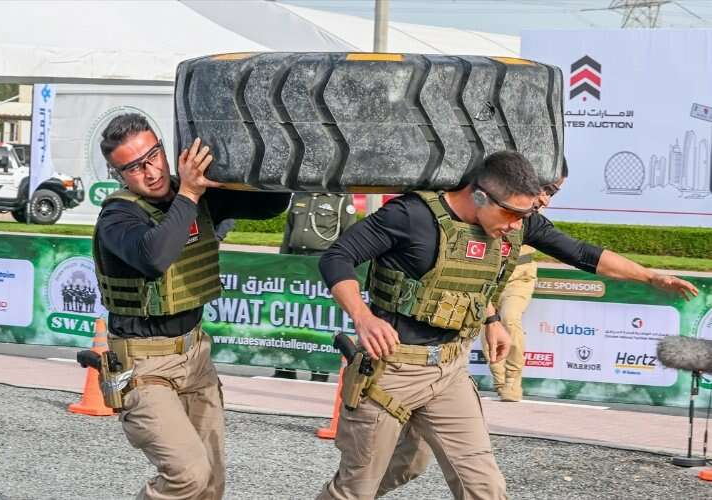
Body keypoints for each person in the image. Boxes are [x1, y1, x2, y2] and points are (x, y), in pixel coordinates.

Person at [317, 151, 698, 500]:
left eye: (524, 216)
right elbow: (337, 257)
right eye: (513, 214)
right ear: (480, 196)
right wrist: (363, 318)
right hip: (392, 371)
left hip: (449, 372)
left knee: (484, 487)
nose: (518, 225)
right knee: (363, 485)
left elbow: (579, 252)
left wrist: (650, 276)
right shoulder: (410, 216)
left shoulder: (513, 221)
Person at [93, 113, 288, 500]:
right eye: (134, 167)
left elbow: (273, 204)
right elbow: (154, 257)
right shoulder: (118, 216)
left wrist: (265, 144)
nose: (150, 172)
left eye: (153, 156)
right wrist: (189, 195)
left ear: (164, 149)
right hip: (144, 366)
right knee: (189, 476)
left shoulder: (195, 192)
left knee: (211, 485)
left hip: (195, 357)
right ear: (119, 175)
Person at [482, 161, 568, 402]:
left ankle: (513, 379)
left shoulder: (532, 213)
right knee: (488, 323)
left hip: (520, 274)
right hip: (488, 274)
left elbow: (576, 251)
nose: (546, 199)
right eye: (547, 189)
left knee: (509, 318)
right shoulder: (497, 198)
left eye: (552, 192)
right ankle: (500, 381)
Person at [275, 192, 357, 381]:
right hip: (296, 261)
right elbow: (288, 232)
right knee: (289, 315)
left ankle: (319, 369)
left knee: (318, 316)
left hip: (322, 262)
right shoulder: (300, 195)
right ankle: (285, 368)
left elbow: (349, 236)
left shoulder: (340, 199)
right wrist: (281, 262)